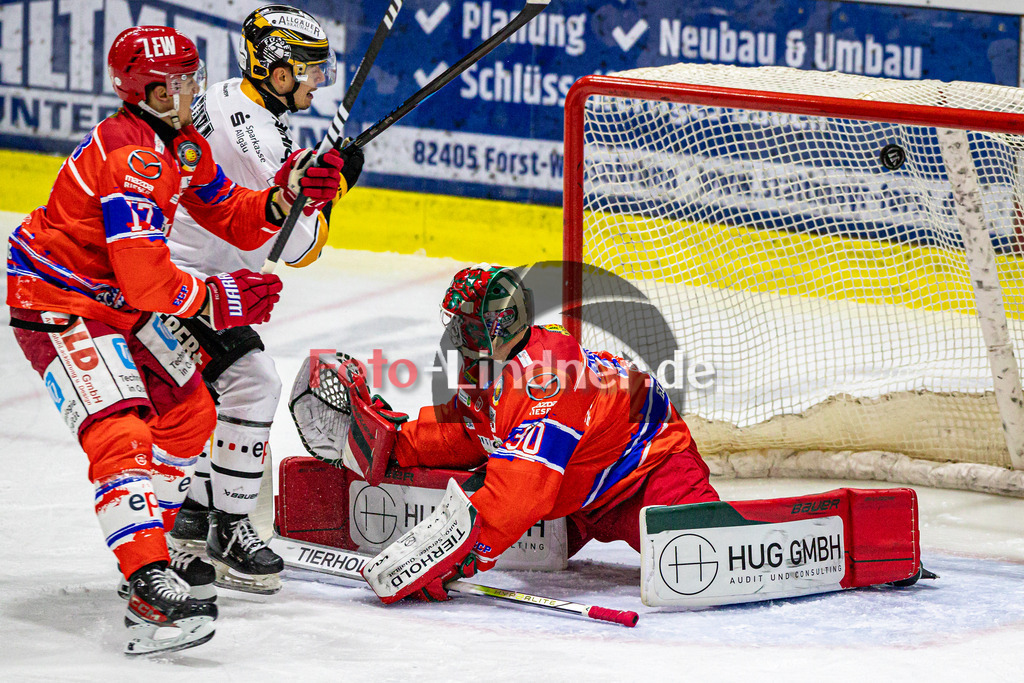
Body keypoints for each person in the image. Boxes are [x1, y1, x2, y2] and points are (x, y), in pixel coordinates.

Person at [6, 25, 343, 655]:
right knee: (122, 428)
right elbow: (145, 280)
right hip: (60, 302)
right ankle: (144, 582)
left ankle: (158, 551)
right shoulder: (131, 155)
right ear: (148, 91)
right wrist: (220, 298)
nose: (192, 91)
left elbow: (236, 216)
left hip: (117, 303)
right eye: (178, 83)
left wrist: (286, 195)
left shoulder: (184, 146)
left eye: (193, 78)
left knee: (189, 413)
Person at [337, 265, 721, 603]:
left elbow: (523, 491)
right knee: (528, 533)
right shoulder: (486, 363)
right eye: (455, 322)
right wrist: (397, 442)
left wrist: (457, 557)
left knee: (709, 559)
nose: (456, 334)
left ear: (499, 327)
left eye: (468, 326)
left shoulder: (546, 378)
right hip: (573, 497)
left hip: (645, 472)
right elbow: (469, 431)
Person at [165, 4, 364, 595]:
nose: (316, 82)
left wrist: (306, 173)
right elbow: (300, 247)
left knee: (233, 390)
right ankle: (221, 525)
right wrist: (336, 188)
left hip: (191, 274)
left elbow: (271, 183)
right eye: (309, 71)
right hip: (184, 286)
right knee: (251, 385)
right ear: (277, 72)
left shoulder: (233, 97)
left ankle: (198, 515)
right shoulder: (251, 134)